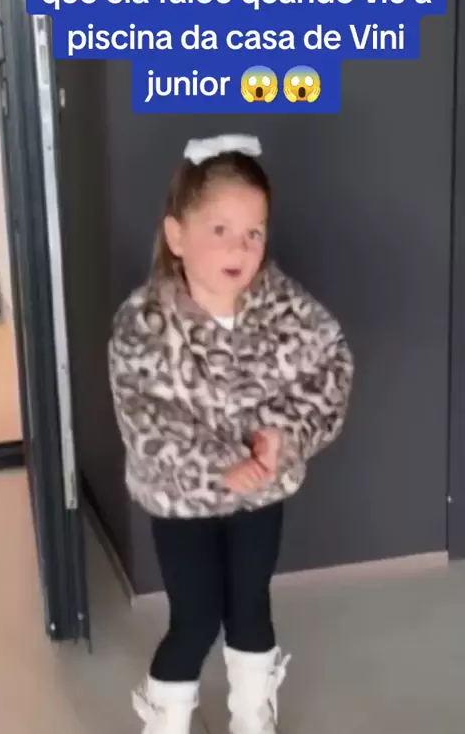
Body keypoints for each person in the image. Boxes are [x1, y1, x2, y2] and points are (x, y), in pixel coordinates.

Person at [108, 134, 354, 734]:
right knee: (195, 618)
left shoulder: (284, 308)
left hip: (258, 495)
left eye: (253, 232)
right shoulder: (145, 322)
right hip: (184, 502)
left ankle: (252, 715)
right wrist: (218, 463)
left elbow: (330, 369)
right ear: (177, 236)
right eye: (220, 230)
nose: (239, 247)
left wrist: (282, 437)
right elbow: (145, 416)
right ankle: (166, 719)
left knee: (250, 605)